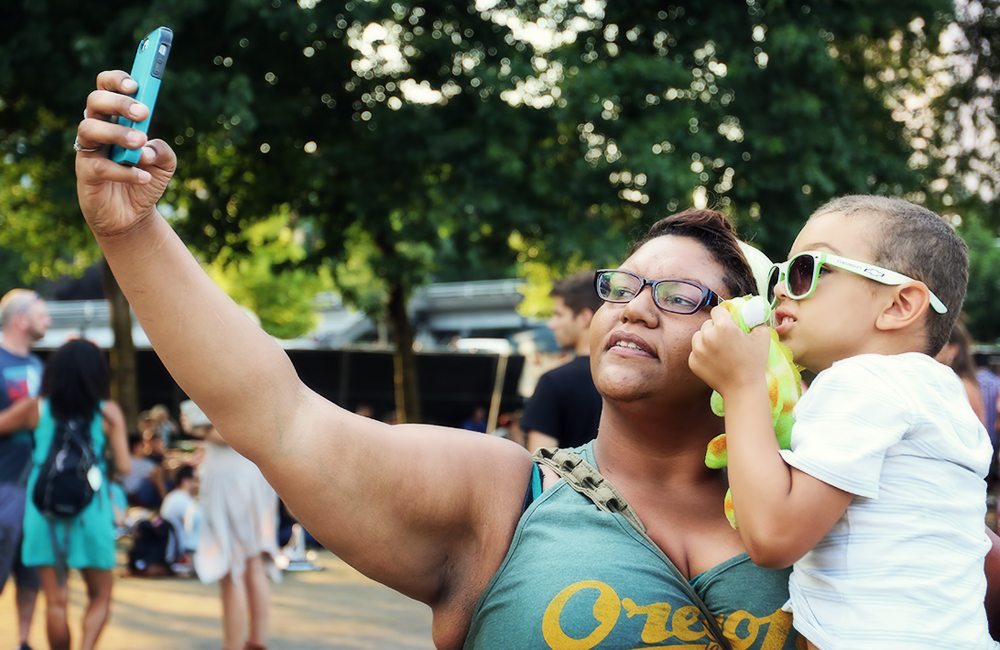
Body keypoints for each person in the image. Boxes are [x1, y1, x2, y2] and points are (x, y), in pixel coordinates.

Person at [73, 71, 1000, 649]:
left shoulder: (850, 512)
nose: (634, 305)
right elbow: (275, 411)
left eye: (681, 297)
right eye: (622, 286)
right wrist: (134, 233)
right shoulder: (496, 496)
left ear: (759, 340)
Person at [690, 195, 996, 649]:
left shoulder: (863, 380)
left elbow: (773, 536)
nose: (779, 291)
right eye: (779, 273)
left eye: (807, 270)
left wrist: (742, 385)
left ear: (899, 305)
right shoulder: (934, 390)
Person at [11, 339, 130, 650]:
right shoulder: (108, 413)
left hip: (42, 509)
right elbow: (127, 466)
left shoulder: (36, 408)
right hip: (92, 508)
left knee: (56, 601)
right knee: (100, 595)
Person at [182, 400, 280, 650]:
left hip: (231, 478)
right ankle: (256, 641)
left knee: (232, 567)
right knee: (252, 563)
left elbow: (241, 430)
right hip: (253, 474)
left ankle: (234, 644)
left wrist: (200, 430)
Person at [0, 289, 49, 650]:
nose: (47, 319)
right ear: (20, 320)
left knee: (31, 570)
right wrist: (18, 419)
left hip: (36, 488)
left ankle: (23, 641)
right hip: (3, 485)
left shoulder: (38, 367)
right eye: (40, 312)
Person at [522, 271, 604, 452]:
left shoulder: (552, 383)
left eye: (559, 314)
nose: (552, 324)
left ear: (584, 317)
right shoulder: (629, 380)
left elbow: (541, 470)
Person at [936, 319, 988, 427]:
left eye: (939, 344)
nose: (933, 350)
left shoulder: (961, 385)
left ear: (953, 350)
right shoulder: (960, 382)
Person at [159, 463, 202, 567]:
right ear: (185, 481)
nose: (198, 485)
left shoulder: (173, 496)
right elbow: (201, 522)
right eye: (196, 480)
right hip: (180, 550)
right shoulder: (182, 500)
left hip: (173, 548)